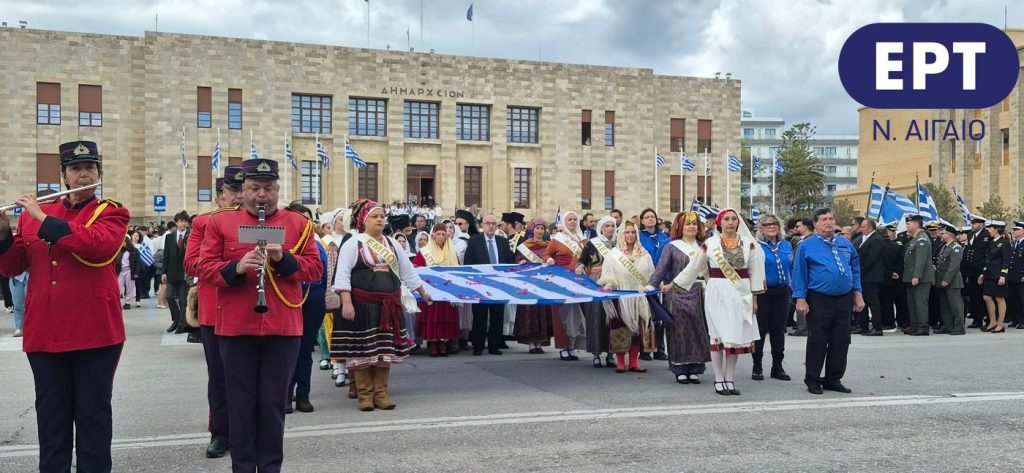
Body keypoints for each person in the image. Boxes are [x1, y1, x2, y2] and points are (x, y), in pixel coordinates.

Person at [0, 140, 130, 472]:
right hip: (45, 332)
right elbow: (14, 266)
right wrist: (3, 236)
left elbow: (95, 246)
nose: (84, 173)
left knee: (92, 416)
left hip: (96, 332)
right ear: (65, 176)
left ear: (98, 172)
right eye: (76, 169)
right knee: (51, 416)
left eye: (90, 168)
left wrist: (41, 218)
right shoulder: (36, 217)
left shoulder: (111, 212)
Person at [196, 158, 323, 473]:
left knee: (273, 405)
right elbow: (203, 267)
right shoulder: (220, 223)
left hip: (282, 328)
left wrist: (283, 259)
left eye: (268, 188)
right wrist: (237, 267)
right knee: (240, 406)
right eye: (254, 188)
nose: (261, 195)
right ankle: (242, 467)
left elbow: (315, 270)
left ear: (277, 189)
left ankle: (270, 467)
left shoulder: (299, 224)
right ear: (243, 190)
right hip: (236, 328)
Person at [332, 199, 433, 411]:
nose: (379, 220)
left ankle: (381, 393)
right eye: (374, 217)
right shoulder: (353, 243)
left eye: (381, 217)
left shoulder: (392, 243)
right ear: (364, 220)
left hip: (387, 308)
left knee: (383, 352)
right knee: (363, 352)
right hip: (362, 306)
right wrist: (347, 303)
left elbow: (408, 271)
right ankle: (365, 396)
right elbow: (341, 276)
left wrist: (423, 292)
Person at [670, 208, 765, 396]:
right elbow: (694, 266)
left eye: (733, 219)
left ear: (738, 222)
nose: (730, 222)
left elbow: (755, 272)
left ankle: (730, 378)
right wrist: (674, 284)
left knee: (734, 336)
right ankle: (718, 378)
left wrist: (754, 298)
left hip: (741, 293)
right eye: (726, 219)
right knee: (717, 335)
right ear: (719, 223)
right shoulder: (710, 243)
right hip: (717, 291)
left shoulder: (748, 244)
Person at [182, 166, 242, 459]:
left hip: (250, 311)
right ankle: (220, 431)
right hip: (215, 310)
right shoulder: (203, 223)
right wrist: (231, 266)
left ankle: (246, 430)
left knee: (249, 377)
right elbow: (192, 263)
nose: (241, 196)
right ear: (220, 196)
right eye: (234, 190)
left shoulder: (261, 221)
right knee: (219, 377)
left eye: (246, 189)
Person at [792, 208, 865, 395]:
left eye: (831, 218)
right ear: (815, 224)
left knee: (841, 340)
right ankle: (813, 379)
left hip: (843, 298)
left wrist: (858, 294)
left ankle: (833, 378)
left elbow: (855, 269)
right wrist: (801, 298)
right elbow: (799, 273)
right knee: (818, 340)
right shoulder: (807, 246)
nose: (828, 222)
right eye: (823, 219)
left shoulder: (845, 244)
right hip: (819, 298)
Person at [647, 211, 710, 384]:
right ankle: (680, 368)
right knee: (679, 331)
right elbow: (660, 269)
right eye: (687, 223)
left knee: (698, 330)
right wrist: (651, 286)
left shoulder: (704, 246)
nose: (691, 226)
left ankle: (695, 367)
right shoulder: (671, 246)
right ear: (680, 227)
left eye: (694, 223)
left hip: (699, 292)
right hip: (676, 293)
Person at [285, 203, 328, 415]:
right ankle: (285, 396)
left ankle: (303, 395)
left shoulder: (317, 245)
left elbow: (323, 274)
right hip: (287, 299)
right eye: (299, 218)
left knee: (304, 351)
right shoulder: (283, 243)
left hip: (312, 300)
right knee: (286, 351)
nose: (304, 223)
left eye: (307, 219)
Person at [598, 221, 655, 373]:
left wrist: (650, 286)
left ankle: (634, 362)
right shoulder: (613, 255)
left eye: (633, 232)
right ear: (621, 235)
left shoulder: (645, 254)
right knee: (620, 328)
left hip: (639, 295)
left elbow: (652, 274)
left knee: (638, 329)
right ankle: (621, 362)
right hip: (621, 295)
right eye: (627, 232)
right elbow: (607, 273)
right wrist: (609, 284)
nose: (630, 235)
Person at [463, 214, 516, 355]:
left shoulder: (503, 242)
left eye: (494, 223)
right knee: (480, 317)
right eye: (488, 223)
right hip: (480, 287)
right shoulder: (474, 242)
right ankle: (478, 346)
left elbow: (509, 262)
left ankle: (494, 345)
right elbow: (468, 264)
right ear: (482, 225)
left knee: (497, 317)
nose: (491, 226)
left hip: (499, 286)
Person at [544, 210, 591, 361]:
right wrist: (549, 260)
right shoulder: (557, 239)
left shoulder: (582, 240)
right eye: (569, 219)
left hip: (578, 281)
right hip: (561, 280)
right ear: (564, 222)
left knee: (575, 314)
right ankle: (563, 347)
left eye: (574, 219)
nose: (572, 222)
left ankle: (572, 345)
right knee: (562, 313)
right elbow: (547, 254)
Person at [752, 213, 793, 381]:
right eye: (767, 224)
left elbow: (791, 268)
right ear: (761, 228)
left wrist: (791, 286)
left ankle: (777, 366)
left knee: (778, 330)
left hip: (782, 292)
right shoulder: (756, 246)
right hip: (763, 293)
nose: (771, 226)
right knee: (760, 331)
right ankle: (757, 366)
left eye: (774, 223)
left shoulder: (786, 245)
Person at [412, 224, 461, 357]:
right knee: (433, 317)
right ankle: (433, 343)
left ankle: (443, 343)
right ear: (433, 235)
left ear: (447, 236)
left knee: (445, 317)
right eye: (438, 234)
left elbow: (457, 270)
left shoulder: (452, 252)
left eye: (443, 234)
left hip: (447, 290)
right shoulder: (425, 252)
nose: (440, 237)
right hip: (430, 291)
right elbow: (416, 269)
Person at [513, 219, 555, 353]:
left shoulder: (548, 245)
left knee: (543, 312)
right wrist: (521, 261)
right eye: (537, 228)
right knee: (530, 312)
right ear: (532, 230)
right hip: (529, 283)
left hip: (544, 283)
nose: (540, 231)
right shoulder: (525, 245)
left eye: (542, 228)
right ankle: (531, 342)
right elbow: (517, 258)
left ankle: (540, 342)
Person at [580, 216, 616, 368]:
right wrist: (580, 267)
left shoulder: (618, 244)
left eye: (612, 226)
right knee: (596, 317)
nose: (610, 229)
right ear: (600, 228)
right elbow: (581, 261)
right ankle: (596, 354)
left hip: (614, 282)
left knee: (612, 318)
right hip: (596, 282)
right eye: (607, 226)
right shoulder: (592, 244)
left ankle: (611, 353)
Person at [637, 208, 670, 361]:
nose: (650, 219)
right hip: (645, 278)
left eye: (653, 216)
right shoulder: (638, 237)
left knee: (660, 315)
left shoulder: (665, 237)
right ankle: (645, 349)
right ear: (642, 221)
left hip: (662, 279)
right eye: (647, 217)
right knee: (646, 315)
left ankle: (660, 349)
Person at [856, 219, 888, 336]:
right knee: (863, 301)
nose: (861, 228)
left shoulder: (876, 239)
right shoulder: (863, 238)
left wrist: (860, 271)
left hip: (871, 276)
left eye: (864, 226)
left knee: (873, 302)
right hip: (864, 276)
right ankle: (863, 326)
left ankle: (877, 327)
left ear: (870, 227)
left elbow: (871, 259)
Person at [903, 215, 934, 336]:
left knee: (920, 302)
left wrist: (916, 276)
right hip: (912, 277)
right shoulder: (915, 239)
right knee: (913, 302)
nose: (907, 226)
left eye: (909, 224)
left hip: (921, 277)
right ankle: (915, 325)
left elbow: (920, 260)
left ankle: (923, 327)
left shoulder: (922, 239)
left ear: (916, 225)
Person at [163, 210, 192, 335]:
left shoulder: (191, 236)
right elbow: (166, 255)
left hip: (185, 273)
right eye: (181, 221)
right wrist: (164, 272)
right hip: (171, 272)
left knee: (182, 300)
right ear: (176, 222)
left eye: (186, 221)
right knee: (169, 296)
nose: (184, 223)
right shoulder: (169, 237)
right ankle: (176, 320)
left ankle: (181, 324)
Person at [934, 221, 966, 335]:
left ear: (950, 235)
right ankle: (948, 326)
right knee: (945, 306)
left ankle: (959, 328)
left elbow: (954, 266)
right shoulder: (945, 247)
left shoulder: (956, 247)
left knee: (955, 306)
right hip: (942, 280)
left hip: (952, 281)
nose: (941, 235)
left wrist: (946, 280)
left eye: (943, 233)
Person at [980, 220, 1011, 333]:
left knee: (999, 298)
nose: (988, 230)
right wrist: (983, 273)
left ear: (996, 229)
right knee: (987, 297)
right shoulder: (992, 242)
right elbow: (988, 260)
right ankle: (992, 322)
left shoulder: (1004, 243)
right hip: (990, 274)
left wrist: (1003, 275)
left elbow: (1006, 261)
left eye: (990, 228)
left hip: (999, 275)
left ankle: (1000, 324)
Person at [961, 216, 991, 327]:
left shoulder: (987, 236)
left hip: (981, 269)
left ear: (981, 224)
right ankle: (977, 319)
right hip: (971, 270)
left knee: (984, 295)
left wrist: (984, 270)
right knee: (974, 296)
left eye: (975, 223)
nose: (972, 225)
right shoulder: (970, 235)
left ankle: (988, 319)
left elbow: (988, 253)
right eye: (972, 223)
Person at [115, 234, 142, 310]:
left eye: (123, 242)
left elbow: (138, 262)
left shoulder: (134, 250)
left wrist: (136, 273)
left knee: (130, 287)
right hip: (121, 271)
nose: (122, 244)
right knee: (118, 286)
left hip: (130, 271)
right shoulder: (119, 251)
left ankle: (128, 302)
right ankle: (117, 302)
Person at [9, 267, 27, 337]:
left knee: (32, 305)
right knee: (17, 305)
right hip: (15, 278)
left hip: (31, 276)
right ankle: (19, 327)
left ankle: (34, 327)